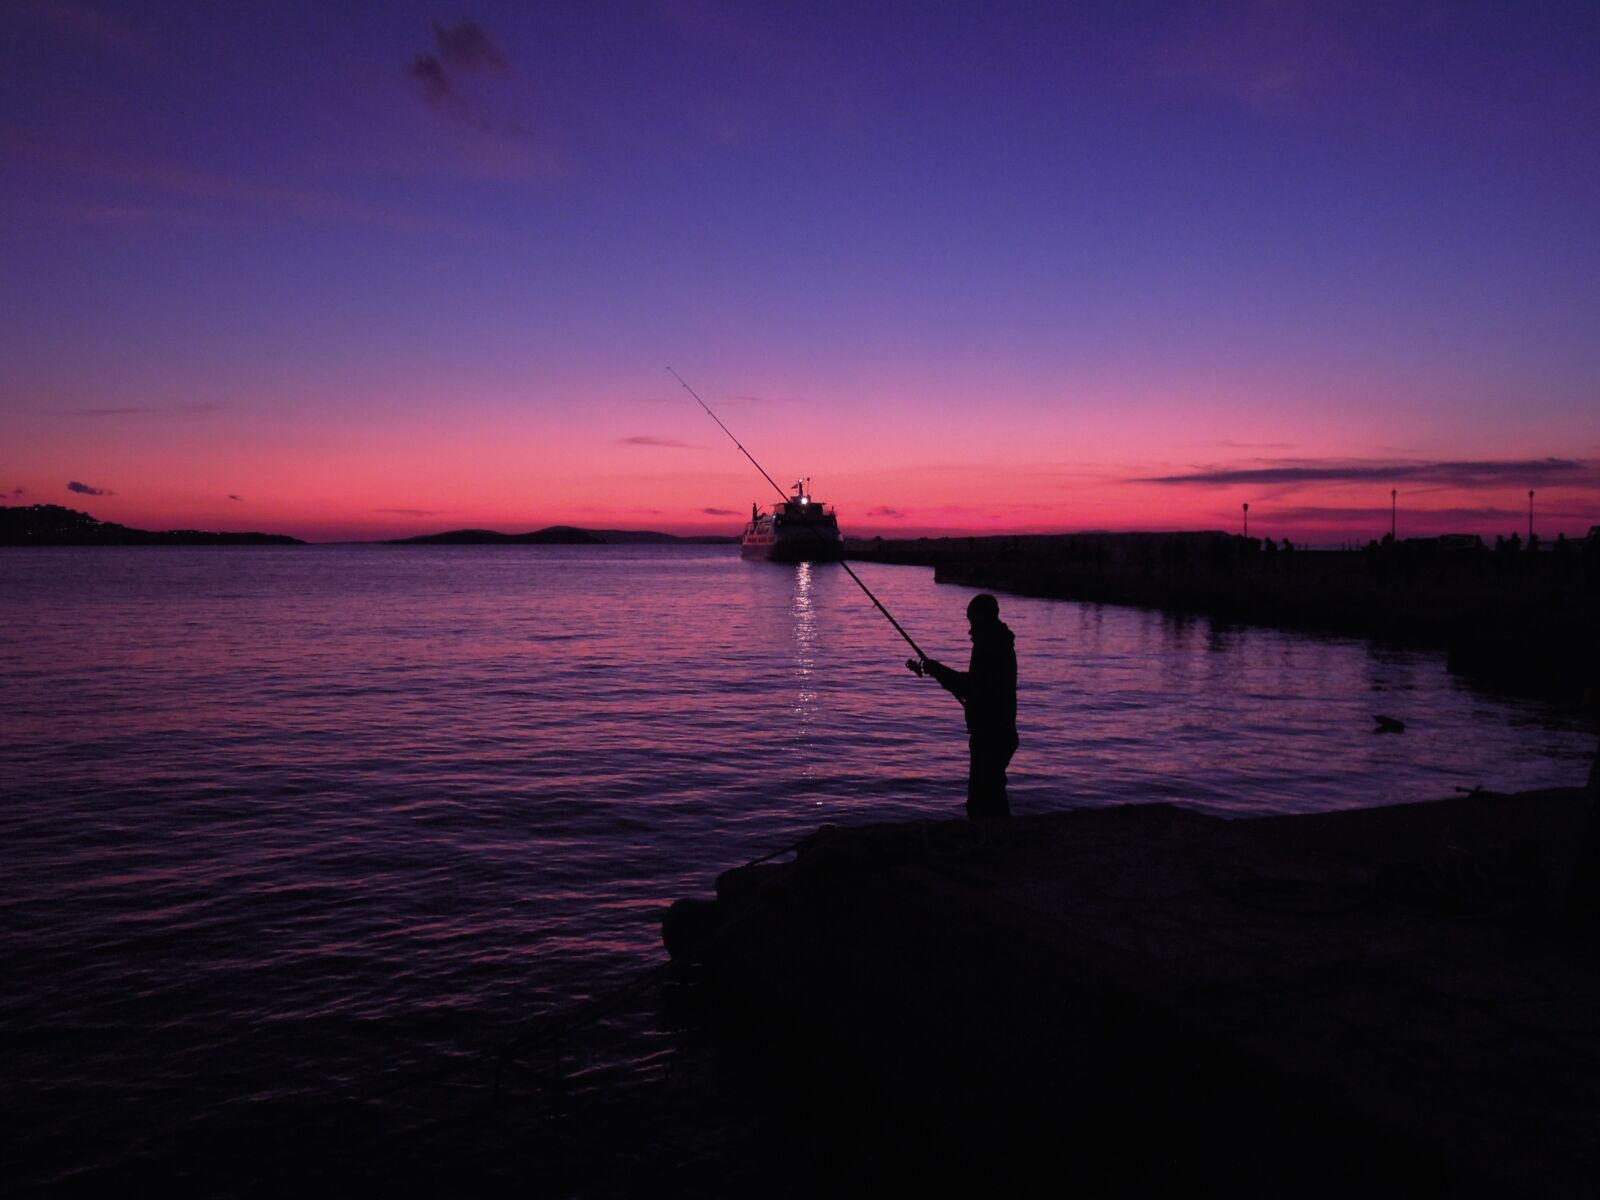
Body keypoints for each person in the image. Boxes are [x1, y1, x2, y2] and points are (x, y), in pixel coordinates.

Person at [907, 593, 1019, 819]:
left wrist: (937, 670)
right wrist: (938, 671)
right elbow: (976, 685)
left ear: (981, 617)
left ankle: (993, 846)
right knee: (992, 794)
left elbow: (972, 687)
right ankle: (999, 841)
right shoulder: (998, 642)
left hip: (991, 733)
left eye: (972, 620)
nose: (970, 627)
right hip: (998, 731)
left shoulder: (989, 645)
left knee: (983, 799)